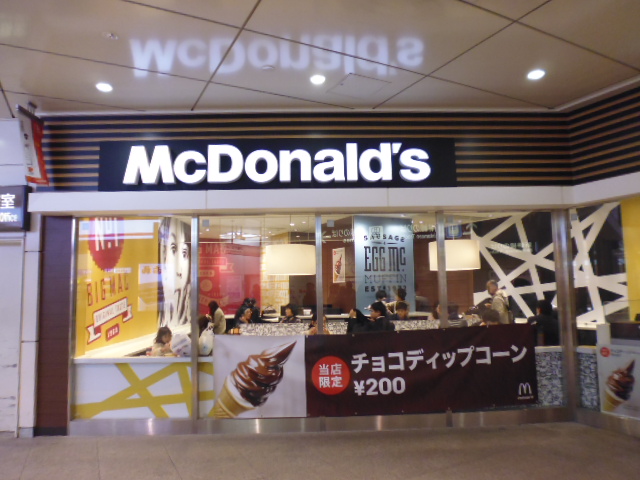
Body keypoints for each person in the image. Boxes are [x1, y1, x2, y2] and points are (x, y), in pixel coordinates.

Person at [158, 218, 191, 329]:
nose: (179, 266)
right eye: (173, 249)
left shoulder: (188, 316)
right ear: (163, 253)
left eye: (184, 253)